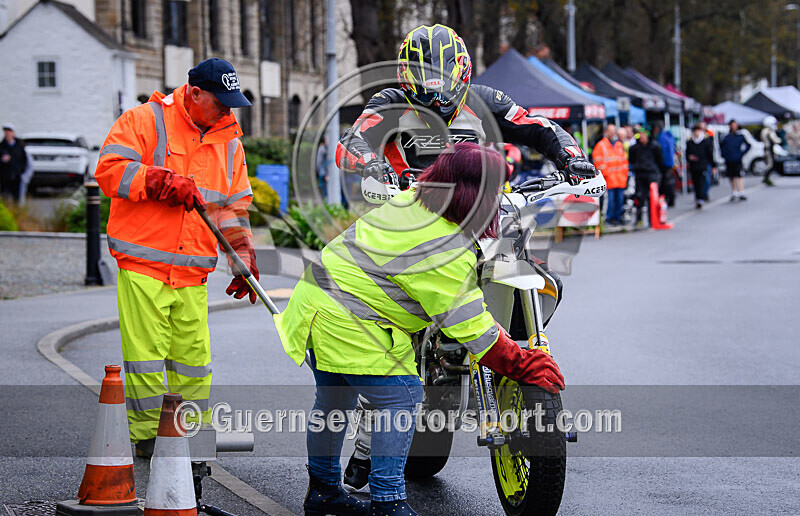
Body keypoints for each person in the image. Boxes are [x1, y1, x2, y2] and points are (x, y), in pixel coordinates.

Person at [275, 143, 565, 516]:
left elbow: (458, 306)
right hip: (346, 319)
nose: (497, 199)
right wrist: (523, 363)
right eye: (493, 191)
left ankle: (324, 492)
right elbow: (472, 330)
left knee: (334, 401)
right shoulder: (445, 246)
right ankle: (388, 501)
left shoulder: (414, 202)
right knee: (401, 397)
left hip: (315, 301)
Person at [94, 57, 258, 455]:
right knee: (146, 360)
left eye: (231, 103)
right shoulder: (143, 120)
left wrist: (242, 255)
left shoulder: (229, 145)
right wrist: (158, 179)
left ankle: (189, 439)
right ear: (194, 92)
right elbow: (109, 170)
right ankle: (150, 440)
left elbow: (233, 207)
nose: (227, 110)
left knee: (193, 363)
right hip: (145, 265)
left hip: (192, 272)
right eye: (220, 102)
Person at [336, 24, 595, 193]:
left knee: (538, 275)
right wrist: (371, 165)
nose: (437, 102)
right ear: (407, 80)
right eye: (427, 92)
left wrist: (572, 158)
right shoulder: (391, 103)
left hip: (484, 217)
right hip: (409, 218)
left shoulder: (484, 101)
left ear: (463, 74)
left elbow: (539, 128)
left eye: (445, 90)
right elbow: (351, 140)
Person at [592, 123, 628, 226]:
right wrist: (606, 174)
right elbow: (598, 162)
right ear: (606, 132)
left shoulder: (619, 145)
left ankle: (616, 219)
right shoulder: (601, 146)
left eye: (613, 131)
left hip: (619, 179)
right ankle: (608, 220)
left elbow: (624, 161)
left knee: (619, 201)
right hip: (609, 180)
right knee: (610, 202)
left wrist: (624, 176)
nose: (612, 133)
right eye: (610, 131)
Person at [628, 129, 663, 224]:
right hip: (639, 174)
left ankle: (653, 220)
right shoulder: (634, 148)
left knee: (651, 198)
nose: (642, 137)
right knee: (639, 197)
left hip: (651, 174)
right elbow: (631, 159)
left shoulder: (655, 147)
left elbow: (660, 160)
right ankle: (638, 220)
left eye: (643, 135)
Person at [685, 124, 715, 209]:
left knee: (702, 181)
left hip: (703, 164)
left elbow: (709, 153)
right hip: (694, 165)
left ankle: (701, 197)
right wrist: (690, 157)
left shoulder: (706, 140)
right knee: (695, 182)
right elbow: (687, 154)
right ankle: (698, 197)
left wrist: (713, 164)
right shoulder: (690, 141)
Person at [720, 119, 751, 201]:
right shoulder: (726, 137)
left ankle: (741, 191)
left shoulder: (740, 136)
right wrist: (724, 155)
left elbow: (748, 145)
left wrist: (741, 153)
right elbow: (722, 147)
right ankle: (734, 192)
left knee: (739, 175)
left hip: (737, 159)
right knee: (731, 176)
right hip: (729, 159)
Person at [0, 124, 28, 203]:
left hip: (16, 175)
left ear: (13, 133)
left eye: (9, 132)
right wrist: (2, 160)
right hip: (4, 176)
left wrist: (21, 170)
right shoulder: (1, 146)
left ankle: (16, 213)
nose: (7, 134)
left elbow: (24, 159)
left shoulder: (19, 145)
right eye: (6, 133)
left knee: (16, 197)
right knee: (5, 196)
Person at [652, 121, 676, 207]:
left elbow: (663, 153)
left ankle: (668, 198)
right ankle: (670, 198)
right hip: (669, 163)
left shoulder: (662, 138)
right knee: (668, 181)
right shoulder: (668, 136)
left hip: (665, 163)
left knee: (666, 182)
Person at [760, 115, 782, 186]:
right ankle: (766, 178)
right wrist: (780, 140)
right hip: (769, 149)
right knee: (770, 165)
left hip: (767, 149)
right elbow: (775, 140)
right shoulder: (769, 131)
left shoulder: (764, 131)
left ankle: (767, 178)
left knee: (769, 164)